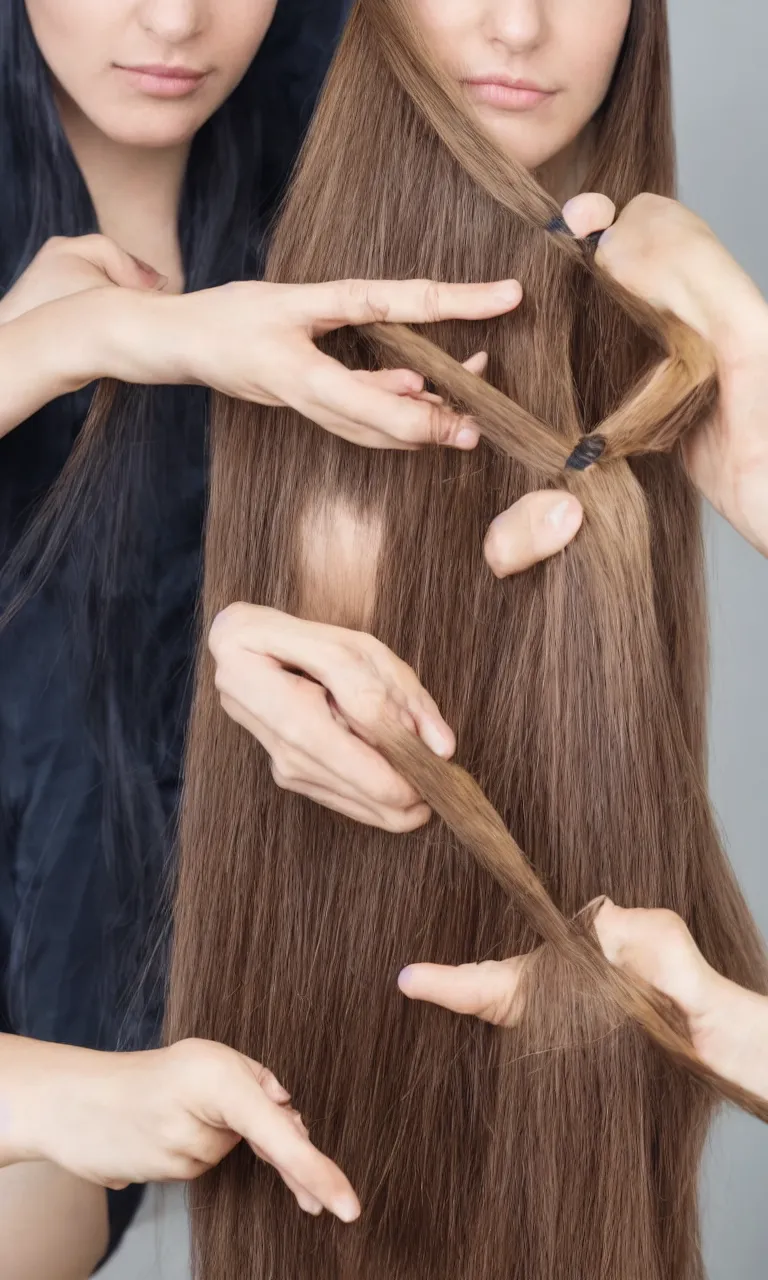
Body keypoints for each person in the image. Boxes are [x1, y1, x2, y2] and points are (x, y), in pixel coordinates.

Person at [0, 1, 521, 1275]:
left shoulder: (349, 145)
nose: (173, 17)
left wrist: (289, 647)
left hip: (100, 954)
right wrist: (68, 340)